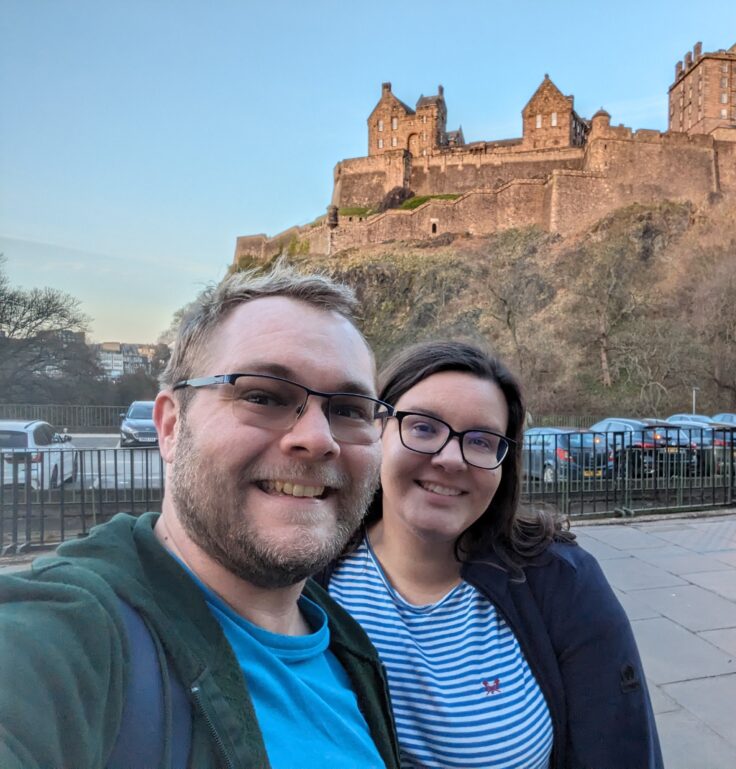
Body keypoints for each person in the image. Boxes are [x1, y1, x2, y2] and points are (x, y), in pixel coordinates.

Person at [0, 263, 401, 769]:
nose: (318, 438)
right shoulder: (67, 635)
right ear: (170, 426)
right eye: (262, 396)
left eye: (349, 409)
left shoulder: (350, 649)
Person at [324, 341, 663, 769]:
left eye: (481, 440)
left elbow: (621, 751)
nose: (450, 459)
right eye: (424, 427)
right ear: (378, 429)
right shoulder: (309, 575)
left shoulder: (563, 582)